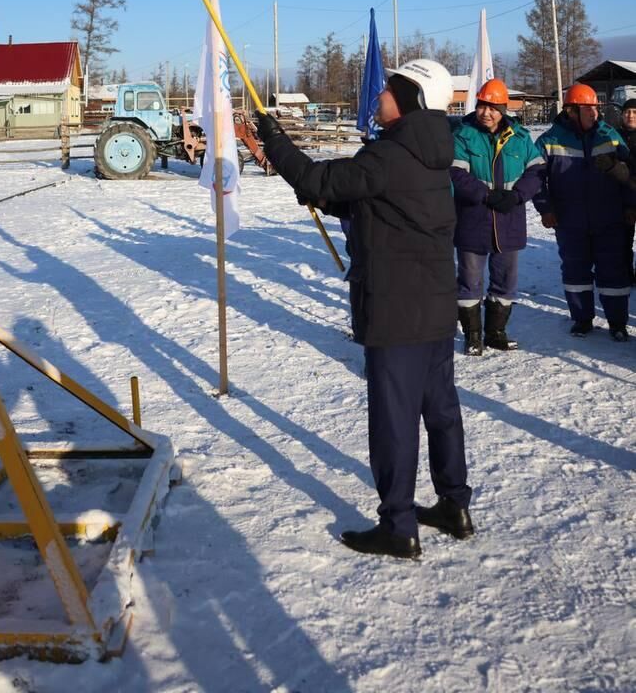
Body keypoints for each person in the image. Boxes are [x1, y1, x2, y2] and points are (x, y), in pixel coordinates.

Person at [257, 59, 472, 561]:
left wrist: (276, 140)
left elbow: (321, 178)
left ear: (413, 99)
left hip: (398, 311)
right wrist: (321, 194)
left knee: (395, 419)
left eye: (389, 90)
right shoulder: (431, 152)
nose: (378, 96)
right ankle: (453, 506)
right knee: (440, 410)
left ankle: (399, 525)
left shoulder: (392, 154)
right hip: (435, 307)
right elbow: (374, 202)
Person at [450, 79, 545, 355]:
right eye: (482, 106)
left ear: (503, 109)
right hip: (473, 219)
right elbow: (456, 173)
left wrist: (517, 196)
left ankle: (496, 332)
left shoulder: (521, 137)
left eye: (492, 107)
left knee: (505, 280)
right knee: (470, 280)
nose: (486, 113)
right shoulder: (463, 135)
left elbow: (537, 171)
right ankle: (473, 335)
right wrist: (485, 195)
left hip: (509, 220)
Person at [534, 83, 632, 341]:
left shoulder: (610, 136)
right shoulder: (548, 141)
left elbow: (630, 173)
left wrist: (631, 206)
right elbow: (535, 180)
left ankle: (618, 322)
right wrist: (546, 209)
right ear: (570, 111)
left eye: (595, 108)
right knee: (576, 271)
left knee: (614, 271)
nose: (594, 113)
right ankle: (582, 319)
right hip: (569, 220)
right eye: (587, 108)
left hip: (610, 218)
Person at [616, 97, 636, 284]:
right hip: (621, 199)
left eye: (635, 112)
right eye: (627, 112)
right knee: (624, 242)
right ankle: (626, 274)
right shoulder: (613, 136)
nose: (630, 115)